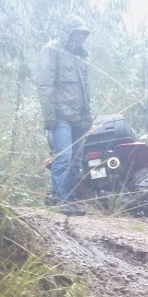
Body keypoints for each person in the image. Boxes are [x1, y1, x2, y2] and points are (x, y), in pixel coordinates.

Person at [36, 15, 93, 216]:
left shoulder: (82, 56)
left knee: (77, 161)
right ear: (69, 32)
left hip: (80, 118)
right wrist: (49, 115)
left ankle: (67, 200)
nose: (80, 38)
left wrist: (88, 120)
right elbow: (45, 84)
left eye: (83, 34)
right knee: (64, 157)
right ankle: (60, 201)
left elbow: (86, 91)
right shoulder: (52, 50)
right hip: (60, 117)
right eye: (77, 33)